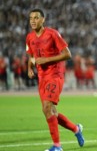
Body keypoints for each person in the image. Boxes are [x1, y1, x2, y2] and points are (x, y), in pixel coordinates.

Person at [26, 9, 85, 151]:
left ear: (43, 19)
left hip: (55, 74)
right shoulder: (29, 37)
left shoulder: (52, 34)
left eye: (36, 17)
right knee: (51, 111)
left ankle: (57, 146)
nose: (33, 20)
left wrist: (47, 59)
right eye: (31, 18)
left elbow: (67, 54)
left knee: (47, 108)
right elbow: (31, 56)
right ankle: (76, 129)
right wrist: (29, 68)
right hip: (42, 77)